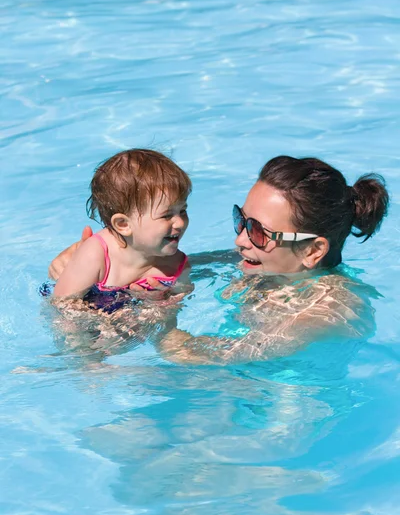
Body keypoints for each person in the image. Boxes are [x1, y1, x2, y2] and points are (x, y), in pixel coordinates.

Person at [49, 155, 389, 363]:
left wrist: (161, 322)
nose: (240, 239)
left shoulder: (328, 311)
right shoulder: (260, 264)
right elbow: (145, 261)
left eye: (258, 231)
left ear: (313, 251)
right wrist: (90, 258)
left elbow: (210, 357)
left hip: (280, 422)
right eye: (241, 219)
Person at [53, 149, 192, 307]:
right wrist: (99, 322)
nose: (180, 222)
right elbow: (61, 306)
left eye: (182, 211)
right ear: (123, 224)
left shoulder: (176, 265)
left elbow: (182, 298)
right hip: (93, 308)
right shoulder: (96, 255)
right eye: (166, 215)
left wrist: (164, 305)